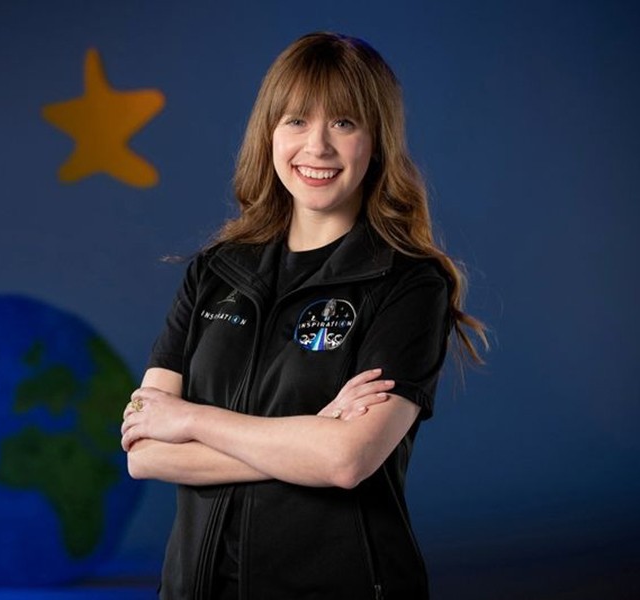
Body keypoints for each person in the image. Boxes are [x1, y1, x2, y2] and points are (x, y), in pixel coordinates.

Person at [120, 32, 486, 600]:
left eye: (343, 123)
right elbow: (144, 453)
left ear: (378, 141)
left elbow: (345, 460)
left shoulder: (409, 284)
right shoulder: (215, 271)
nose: (316, 147)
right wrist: (306, 441)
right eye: (295, 121)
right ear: (268, 133)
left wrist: (190, 421)